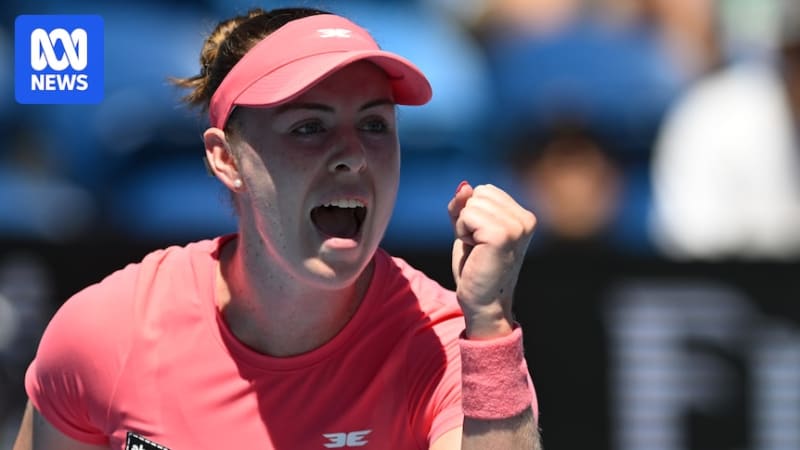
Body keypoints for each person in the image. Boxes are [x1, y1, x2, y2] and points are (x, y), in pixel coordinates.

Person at [13, 7, 541, 450]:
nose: (353, 156)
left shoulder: (452, 346)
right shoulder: (105, 332)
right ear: (226, 159)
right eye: (309, 126)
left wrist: (491, 321)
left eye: (375, 124)